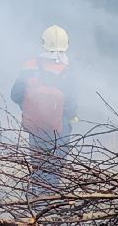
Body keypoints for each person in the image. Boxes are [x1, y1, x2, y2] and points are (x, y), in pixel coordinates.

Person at [10, 25, 77, 190]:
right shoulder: (67, 69)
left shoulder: (29, 65)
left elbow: (15, 94)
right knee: (54, 167)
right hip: (59, 127)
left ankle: (35, 198)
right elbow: (71, 105)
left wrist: (31, 108)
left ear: (43, 43)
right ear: (66, 44)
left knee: (39, 165)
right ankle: (48, 199)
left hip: (35, 125)